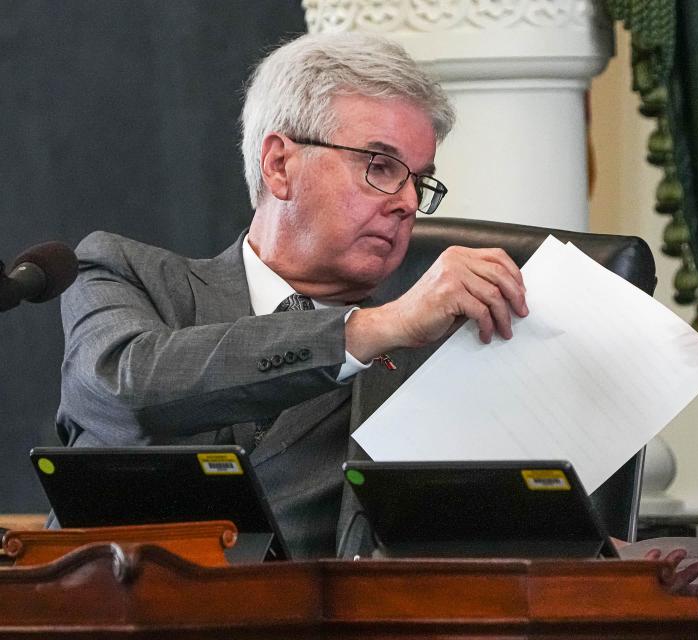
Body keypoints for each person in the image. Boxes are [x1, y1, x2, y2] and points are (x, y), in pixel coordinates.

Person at [56, 33, 528, 559]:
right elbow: (127, 388)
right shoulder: (127, 276)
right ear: (279, 164)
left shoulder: (432, 359)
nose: (408, 203)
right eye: (381, 166)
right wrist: (366, 331)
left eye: (420, 181)